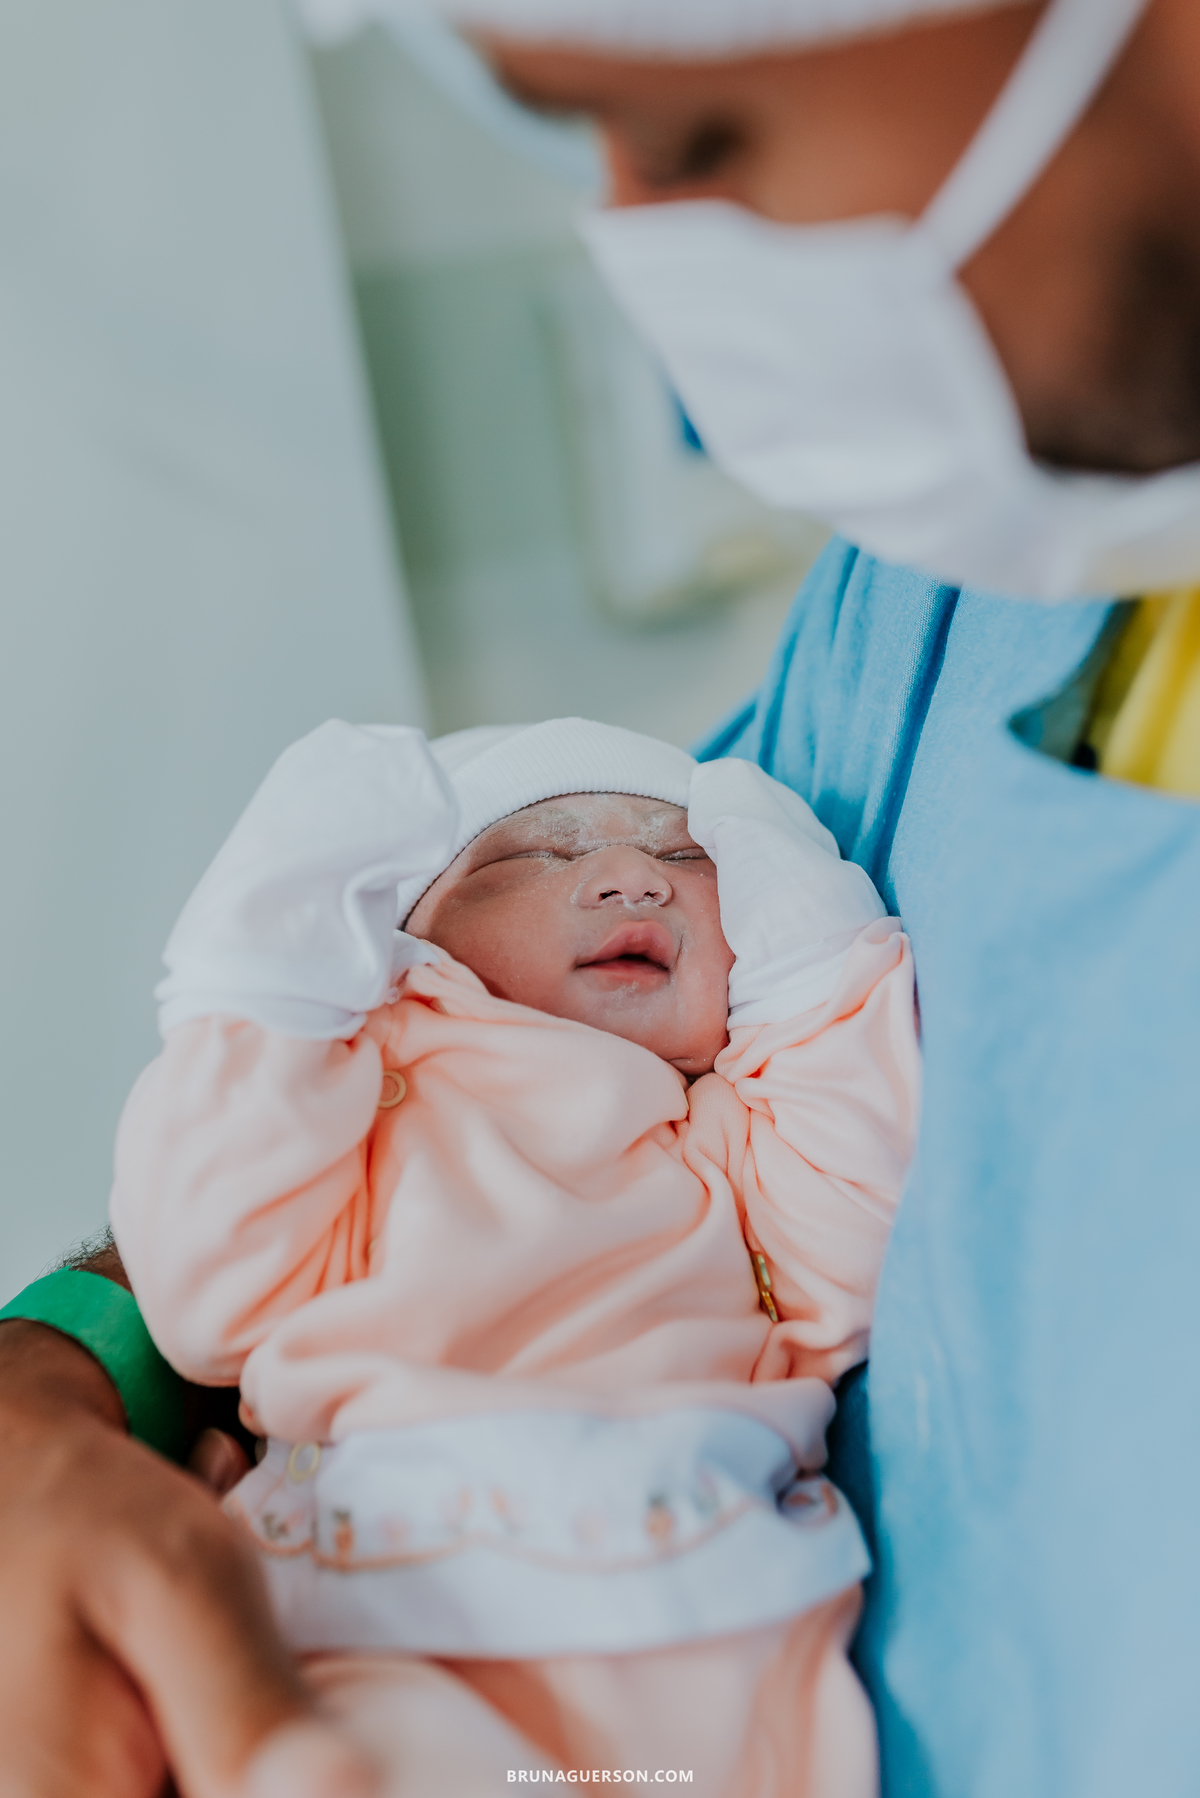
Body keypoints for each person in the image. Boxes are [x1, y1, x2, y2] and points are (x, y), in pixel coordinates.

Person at [2, 1, 1198, 1794]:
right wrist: (49, 1404)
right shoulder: (967, 600)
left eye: (708, 137)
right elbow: (259, 1233)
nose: (649, 249)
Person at [107, 716, 918, 1795]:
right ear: (413, 942)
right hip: (398, 1596)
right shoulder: (362, 1114)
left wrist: (814, 949)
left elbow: (859, 1229)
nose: (635, 877)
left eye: (688, 857)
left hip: (704, 1601)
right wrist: (265, 973)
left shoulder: (723, 1137)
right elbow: (207, 1284)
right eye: (540, 852)